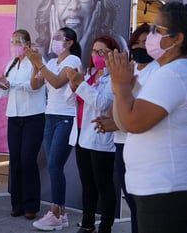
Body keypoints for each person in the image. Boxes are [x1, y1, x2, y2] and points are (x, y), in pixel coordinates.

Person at [105, 2, 187, 233]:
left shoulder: (174, 74)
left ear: (177, 39)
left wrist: (120, 85)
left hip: (166, 190)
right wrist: (122, 90)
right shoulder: (173, 71)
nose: (150, 37)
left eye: (157, 30)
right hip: (162, 188)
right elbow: (125, 121)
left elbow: (132, 123)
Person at [92, 23, 159, 233]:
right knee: (130, 197)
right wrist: (111, 119)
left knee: (143, 204)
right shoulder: (129, 67)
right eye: (136, 42)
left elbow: (145, 110)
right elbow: (119, 97)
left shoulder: (159, 71)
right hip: (122, 142)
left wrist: (117, 121)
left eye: (145, 42)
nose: (140, 46)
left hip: (144, 142)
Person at [25, 27, 82, 231]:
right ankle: (61, 212)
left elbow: (57, 83)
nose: (55, 40)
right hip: (50, 116)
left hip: (66, 117)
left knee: (55, 165)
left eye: (60, 38)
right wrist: (35, 65)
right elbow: (35, 85)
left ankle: (57, 212)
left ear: (70, 43)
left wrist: (39, 63)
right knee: (52, 164)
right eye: (54, 36)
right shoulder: (50, 62)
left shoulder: (73, 61)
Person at [65, 36, 119, 233]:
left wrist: (80, 85)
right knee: (87, 184)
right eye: (94, 52)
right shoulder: (89, 74)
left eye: (102, 52)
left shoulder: (115, 77)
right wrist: (74, 86)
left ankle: (106, 226)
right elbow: (69, 101)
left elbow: (102, 104)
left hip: (100, 136)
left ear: (113, 53)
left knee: (104, 184)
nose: (96, 56)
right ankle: (87, 224)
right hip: (82, 136)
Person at [0, 29, 46, 220]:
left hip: (33, 116)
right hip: (14, 116)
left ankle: (31, 205)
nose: (15, 45)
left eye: (18, 42)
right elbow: (7, 92)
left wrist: (13, 85)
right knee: (15, 160)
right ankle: (17, 203)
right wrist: (3, 85)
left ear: (28, 44)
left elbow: (35, 86)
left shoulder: (38, 61)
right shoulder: (11, 64)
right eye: (12, 42)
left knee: (27, 159)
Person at [34, 0, 127, 68]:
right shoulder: (40, 52)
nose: (74, 6)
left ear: (97, 1)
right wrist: (54, 54)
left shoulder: (115, 45)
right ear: (52, 2)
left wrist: (83, 54)